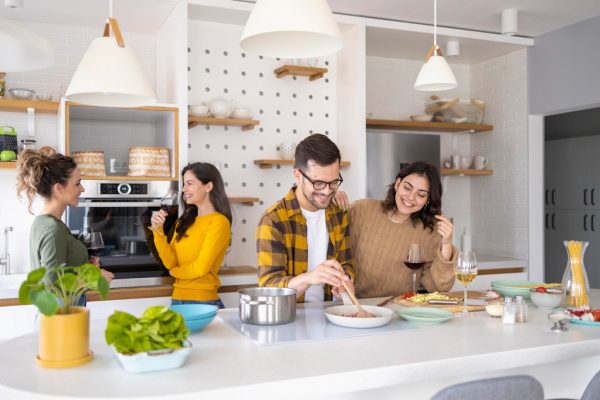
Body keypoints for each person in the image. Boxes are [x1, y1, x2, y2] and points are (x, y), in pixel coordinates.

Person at [256, 133, 355, 302]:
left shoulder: (339, 213)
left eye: (333, 182)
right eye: (318, 183)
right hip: (290, 317)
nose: (326, 191)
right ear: (298, 175)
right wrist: (310, 277)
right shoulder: (273, 220)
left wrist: (345, 282)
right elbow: (268, 287)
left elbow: (347, 264)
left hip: (330, 315)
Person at [16, 147, 114, 305]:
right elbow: (53, 287)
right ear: (58, 188)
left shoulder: (47, 222)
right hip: (60, 318)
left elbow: (60, 271)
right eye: (77, 183)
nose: (82, 189)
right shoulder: (52, 229)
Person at [345, 161, 456, 298]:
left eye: (421, 195)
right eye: (407, 187)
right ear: (398, 184)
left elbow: (438, 287)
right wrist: (335, 200)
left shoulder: (429, 231)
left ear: (427, 200)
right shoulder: (362, 209)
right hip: (354, 305)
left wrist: (446, 245)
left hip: (400, 308)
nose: (411, 197)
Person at [150, 162, 232, 309]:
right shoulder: (184, 221)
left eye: (189, 183)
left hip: (203, 302)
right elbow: (170, 262)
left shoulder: (219, 222)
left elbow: (200, 268)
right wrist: (158, 231)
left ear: (208, 187)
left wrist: (175, 272)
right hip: (177, 299)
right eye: (184, 184)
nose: (183, 189)